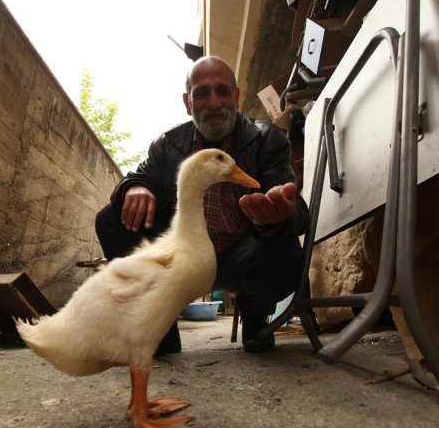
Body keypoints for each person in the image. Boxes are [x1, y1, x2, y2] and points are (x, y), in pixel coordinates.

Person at [95, 56, 309, 353]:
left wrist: (276, 216)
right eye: (202, 93)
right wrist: (135, 187)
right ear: (188, 102)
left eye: (222, 91)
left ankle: (256, 320)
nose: (213, 102)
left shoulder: (266, 140)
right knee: (109, 219)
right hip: (182, 263)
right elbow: (135, 176)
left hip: (241, 259)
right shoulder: (168, 145)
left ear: (235, 97)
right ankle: (159, 333)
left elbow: (296, 209)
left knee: (281, 249)